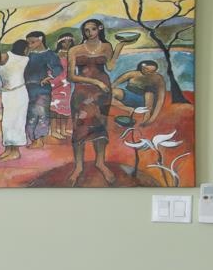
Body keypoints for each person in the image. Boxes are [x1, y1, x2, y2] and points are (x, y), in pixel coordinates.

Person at [68, 18, 116, 182]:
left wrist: (120, 46)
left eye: (93, 29)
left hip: (102, 93)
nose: (89, 33)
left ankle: (100, 162)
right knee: (79, 128)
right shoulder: (75, 49)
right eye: (86, 30)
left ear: (99, 29)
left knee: (100, 126)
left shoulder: (106, 47)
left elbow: (110, 67)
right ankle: (78, 167)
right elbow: (71, 76)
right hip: (82, 92)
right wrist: (96, 82)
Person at [22, 30, 61, 144]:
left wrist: (49, 77)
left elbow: (58, 68)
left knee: (41, 113)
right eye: (28, 43)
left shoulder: (49, 54)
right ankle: (31, 138)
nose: (30, 45)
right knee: (30, 113)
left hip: (42, 88)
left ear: (41, 40)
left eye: (32, 42)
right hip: (27, 88)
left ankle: (39, 140)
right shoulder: (29, 54)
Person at [0, 39, 30, 160]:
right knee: (7, 122)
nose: (28, 50)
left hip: (18, 93)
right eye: (27, 48)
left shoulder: (24, 59)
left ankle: (15, 151)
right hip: (8, 93)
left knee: (17, 122)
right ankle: (8, 150)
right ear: (24, 48)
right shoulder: (8, 56)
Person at [114, 59, 168, 123]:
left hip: (145, 102)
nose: (149, 73)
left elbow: (160, 99)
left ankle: (146, 116)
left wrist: (152, 118)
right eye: (147, 69)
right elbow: (114, 84)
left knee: (149, 90)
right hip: (128, 97)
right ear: (142, 68)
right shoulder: (132, 74)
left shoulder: (158, 78)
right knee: (112, 92)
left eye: (152, 71)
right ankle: (129, 109)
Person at [48, 33, 76, 138]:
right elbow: (50, 69)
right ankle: (54, 130)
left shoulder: (73, 54)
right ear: (60, 43)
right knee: (54, 108)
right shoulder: (55, 55)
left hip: (67, 84)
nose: (67, 44)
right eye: (64, 42)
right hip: (56, 83)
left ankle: (63, 130)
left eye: (69, 41)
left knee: (66, 107)